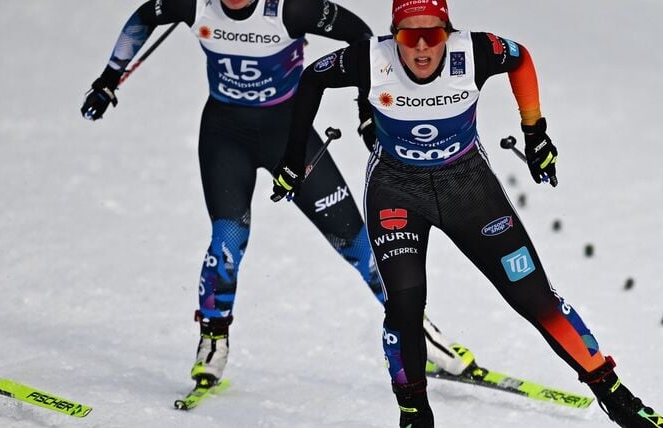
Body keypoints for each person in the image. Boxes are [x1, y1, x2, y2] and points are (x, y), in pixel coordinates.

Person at [269, 0, 663, 426]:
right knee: (405, 308)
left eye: (433, 34)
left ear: (448, 31)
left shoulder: (474, 52)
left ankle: (617, 397)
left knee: (533, 295)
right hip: (396, 192)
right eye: (409, 35)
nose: (422, 47)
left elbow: (520, 58)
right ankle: (413, 412)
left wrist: (535, 132)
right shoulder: (371, 58)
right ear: (394, 34)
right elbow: (313, 77)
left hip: (468, 187)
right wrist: (296, 154)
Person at [80, 0, 478, 391]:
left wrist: (365, 107)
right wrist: (109, 79)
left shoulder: (292, 9)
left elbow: (360, 36)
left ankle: (416, 331)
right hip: (225, 137)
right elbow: (145, 17)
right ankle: (213, 337)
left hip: (289, 138)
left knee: (358, 242)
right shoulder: (195, 5)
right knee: (227, 240)